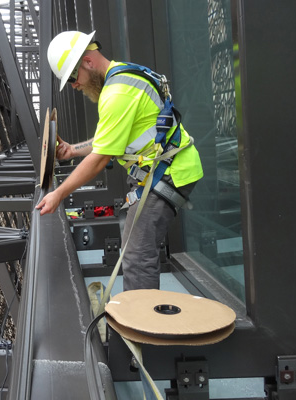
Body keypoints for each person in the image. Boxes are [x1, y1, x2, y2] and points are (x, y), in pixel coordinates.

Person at [35, 31, 203, 291]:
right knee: (136, 248)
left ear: (88, 62)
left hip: (168, 172)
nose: (74, 86)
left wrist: (59, 194)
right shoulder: (123, 74)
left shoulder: (116, 95)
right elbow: (110, 140)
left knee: (137, 256)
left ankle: (142, 328)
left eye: (72, 77)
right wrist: (71, 151)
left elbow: (100, 159)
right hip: (170, 167)